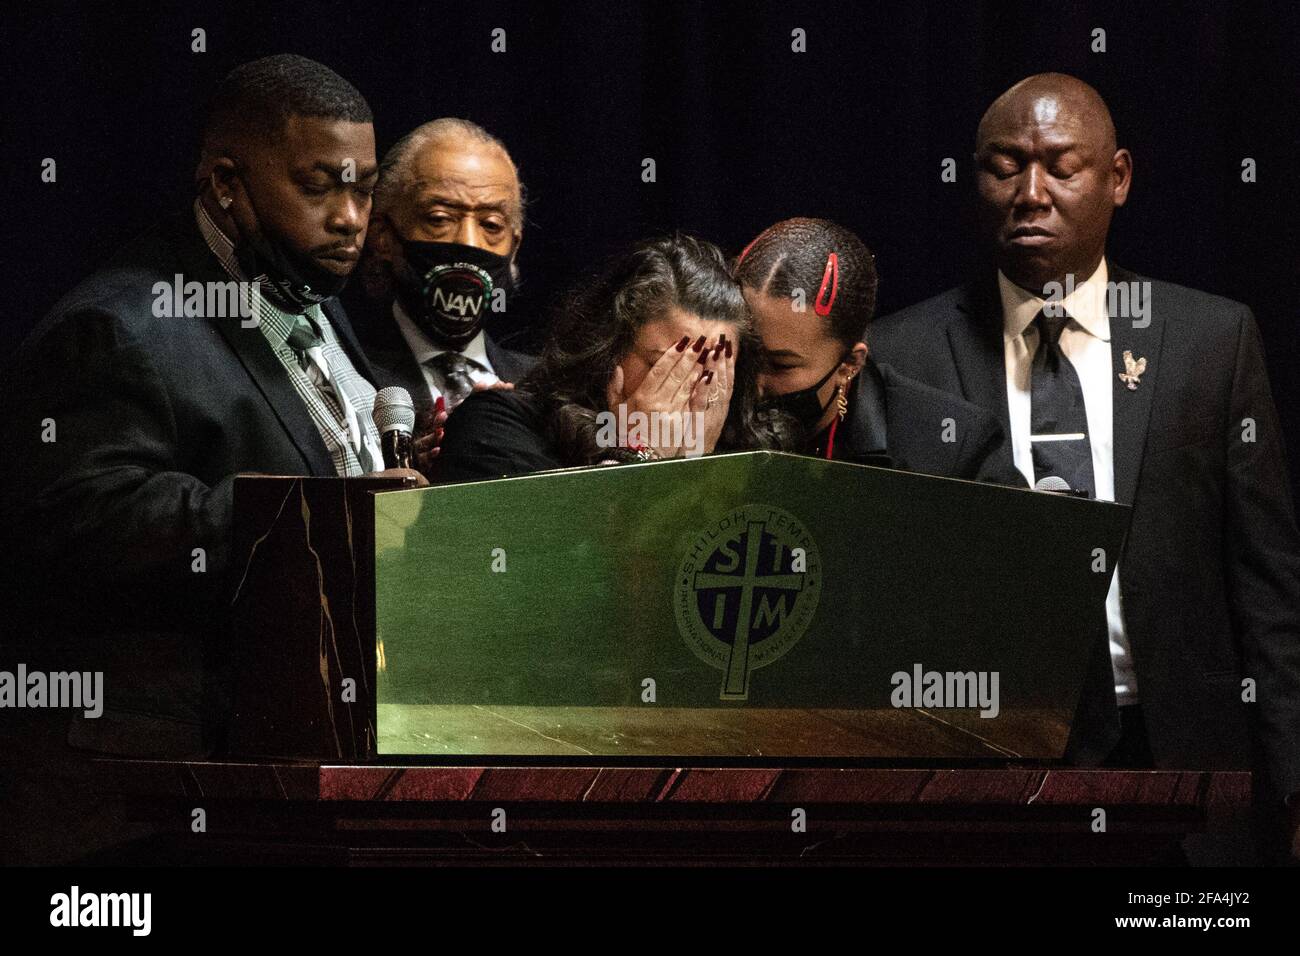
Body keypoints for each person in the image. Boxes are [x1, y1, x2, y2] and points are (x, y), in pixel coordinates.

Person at [870, 72, 1300, 862]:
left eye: (1061, 166)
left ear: (1118, 177)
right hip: (990, 772)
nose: (1031, 192)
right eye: (1006, 166)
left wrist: (1292, 783)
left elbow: (1270, 586)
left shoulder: (1211, 340)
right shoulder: (905, 354)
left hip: (1183, 761)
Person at [2, 54, 423, 758]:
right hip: (171, 765)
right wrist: (317, 511)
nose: (352, 221)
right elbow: (81, 524)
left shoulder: (309, 295)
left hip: (316, 733)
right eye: (319, 188)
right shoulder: (117, 327)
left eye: (365, 191)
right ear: (227, 184)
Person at [432, 234, 791, 483]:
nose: (688, 396)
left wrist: (700, 466)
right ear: (607, 351)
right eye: (664, 368)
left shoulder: (760, 458)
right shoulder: (497, 426)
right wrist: (642, 456)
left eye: (709, 377)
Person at [734, 218, 1024, 486]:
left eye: (780, 365)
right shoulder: (701, 410)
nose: (754, 384)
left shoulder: (959, 451)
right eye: (743, 353)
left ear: (850, 364)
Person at [350, 119, 538, 470]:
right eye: (439, 218)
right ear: (382, 235)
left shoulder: (546, 389)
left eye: (492, 225)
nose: (467, 242)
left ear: (514, 248)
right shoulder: (346, 370)